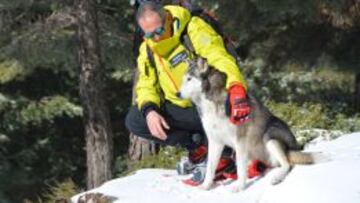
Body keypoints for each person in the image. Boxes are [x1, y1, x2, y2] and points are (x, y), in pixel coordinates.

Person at [125, 1, 261, 185]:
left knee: (224, 112)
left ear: (167, 19)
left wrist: (236, 86)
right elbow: (146, 85)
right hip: (183, 109)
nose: (155, 38)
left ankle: (230, 153)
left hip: (209, 102)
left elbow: (219, 57)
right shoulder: (147, 48)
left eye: (158, 31)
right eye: (148, 34)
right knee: (136, 119)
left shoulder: (193, 29)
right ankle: (199, 147)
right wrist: (150, 111)